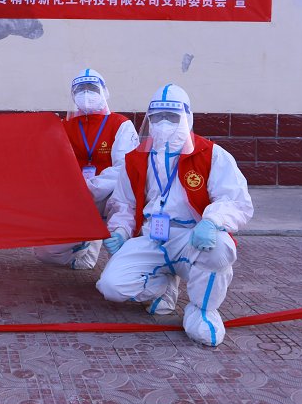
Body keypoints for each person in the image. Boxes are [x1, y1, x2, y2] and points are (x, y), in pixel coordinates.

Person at [95, 84, 252, 346]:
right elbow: (124, 203)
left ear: (187, 117)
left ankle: (202, 310)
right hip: (151, 237)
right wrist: (120, 230)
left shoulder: (211, 154)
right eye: (157, 117)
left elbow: (236, 200)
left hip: (191, 237)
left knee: (221, 248)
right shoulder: (136, 158)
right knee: (111, 286)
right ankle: (161, 286)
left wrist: (212, 221)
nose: (164, 123)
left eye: (172, 116)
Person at [32, 68, 139, 270]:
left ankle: (122, 269)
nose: (86, 93)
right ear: (73, 95)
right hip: (75, 195)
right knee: (46, 252)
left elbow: (124, 167)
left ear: (104, 92)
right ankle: (85, 242)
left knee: (123, 225)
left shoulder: (121, 125)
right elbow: (54, 164)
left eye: (92, 88)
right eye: (80, 89)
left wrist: (91, 187)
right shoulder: (66, 124)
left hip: (110, 195)